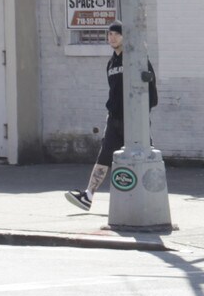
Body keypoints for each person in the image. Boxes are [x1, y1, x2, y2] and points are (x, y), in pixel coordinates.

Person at [65, 22, 158, 212]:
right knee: (104, 156)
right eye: (110, 35)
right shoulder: (111, 63)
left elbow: (151, 90)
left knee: (146, 156)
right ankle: (88, 196)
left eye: (117, 34)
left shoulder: (135, 59)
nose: (112, 38)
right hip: (114, 119)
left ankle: (152, 198)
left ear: (125, 37)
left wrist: (142, 113)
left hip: (134, 119)